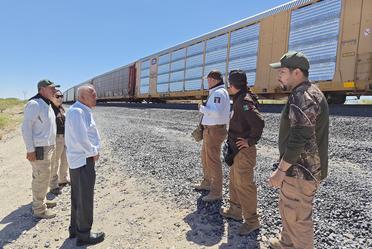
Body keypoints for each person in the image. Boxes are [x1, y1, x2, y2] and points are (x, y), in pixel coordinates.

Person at [268, 51, 329, 249]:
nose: (279, 76)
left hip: (301, 171)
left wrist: (281, 170)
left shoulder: (303, 96)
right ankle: (286, 243)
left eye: (283, 71)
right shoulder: (308, 92)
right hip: (300, 168)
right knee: (289, 209)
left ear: (297, 73)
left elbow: (299, 138)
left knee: (298, 218)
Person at [220, 70, 265, 235]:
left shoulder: (244, 101)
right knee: (234, 181)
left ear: (232, 85)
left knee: (244, 185)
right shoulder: (239, 97)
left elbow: (259, 122)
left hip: (243, 151)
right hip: (236, 150)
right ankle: (235, 211)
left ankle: (252, 221)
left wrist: (250, 141)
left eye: (228, 85)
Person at [65, 84, 105, 246]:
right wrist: (93, 152)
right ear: (82, 97)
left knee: (78, 196)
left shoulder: (80, 110)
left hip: (80, 159)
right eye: (93, 94)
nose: (96, 97)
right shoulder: (77, 112)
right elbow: (82, 139)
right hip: (83, 160)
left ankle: (75, 229)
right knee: (85, 198)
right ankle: (84, 235)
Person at [21, 79, 59, 219]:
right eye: (52, 88)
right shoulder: (34, 104)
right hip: (39, 148)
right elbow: (25, 128)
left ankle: (40, 200)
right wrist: (30, 150)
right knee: (41, 177)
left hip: (49, 146)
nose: (54, 91)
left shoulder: (46, 103)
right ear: (42, 89)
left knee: (42, 176)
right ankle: (39, 210)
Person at [194, 70, 230, 202]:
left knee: (213, 160)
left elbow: (216, 114)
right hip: (211, 130)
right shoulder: (218, 92)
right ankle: (207, 182)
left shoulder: (218, 93)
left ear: (213, 80)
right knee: (206, 157)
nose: (207, 82)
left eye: (208, 80)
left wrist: (202, 108)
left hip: (214, 131)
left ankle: (216, 191)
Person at [49, 90, 69, 196]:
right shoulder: (50, 109)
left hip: (65, 138)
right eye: (57, 96)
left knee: (65, 160)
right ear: (52, 97)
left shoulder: (61, 108)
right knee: (55, 162)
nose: (60, 98)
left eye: (61, 96)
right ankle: (53, 185)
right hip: (56, 139)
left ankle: (63, 179)